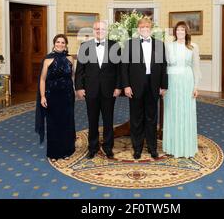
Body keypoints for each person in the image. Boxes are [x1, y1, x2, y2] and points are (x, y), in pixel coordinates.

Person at [121, 18, 168, 160]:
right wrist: (126, 86)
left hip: (153, 86)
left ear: (151, 28)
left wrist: (164, 85)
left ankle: (153, 148)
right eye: (142, 26)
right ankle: (137, 148)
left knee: (152, 119)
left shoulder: (159, 45)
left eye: (147, 26)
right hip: (135, 86)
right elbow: (124, 67)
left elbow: (163, 66)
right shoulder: (130, 44)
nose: (145, 28)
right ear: (138, 29)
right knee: (136, 118)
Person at [75, 21, 122, 159]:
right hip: (91, 89)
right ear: (93, 30)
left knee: (108, 120)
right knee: (92, 120)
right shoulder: (85, 46)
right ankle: (93, 147)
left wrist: (118, 87)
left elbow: (119, 69)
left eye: (102, 29)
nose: (99, 31)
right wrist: (79, 87)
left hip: (109, 89)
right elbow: (80, 70)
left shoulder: (115, 46)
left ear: (106, 31)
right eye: (96, 28)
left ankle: (108, 147)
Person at [163, 21, 201, 158]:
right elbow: (164, 66)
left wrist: (196, 86)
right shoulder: (168, 46)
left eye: (182, 30)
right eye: (178, 30)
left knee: (185, 112)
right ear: (175, 32)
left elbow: (196, 67)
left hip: (187, 81)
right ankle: (172, 147)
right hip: (172, 82)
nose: (180, 32)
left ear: (186, 32)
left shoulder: (193, 47)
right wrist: (163, 85)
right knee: (172, 112)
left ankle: (186, 147)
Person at [35, 34, 76, 160]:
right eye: (58, 42)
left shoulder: (70, 59)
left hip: (68, 95)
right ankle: (54, 153)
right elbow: (42, 80)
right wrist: (42, 96)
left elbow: (72, 76)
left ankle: (67, 151)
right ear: (54, 43)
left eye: (63, 42)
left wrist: (74, 90)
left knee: (66, 123)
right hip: (52, 95)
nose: (60, 44)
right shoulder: (47, 59)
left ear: (66, 45)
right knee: (53, 124)